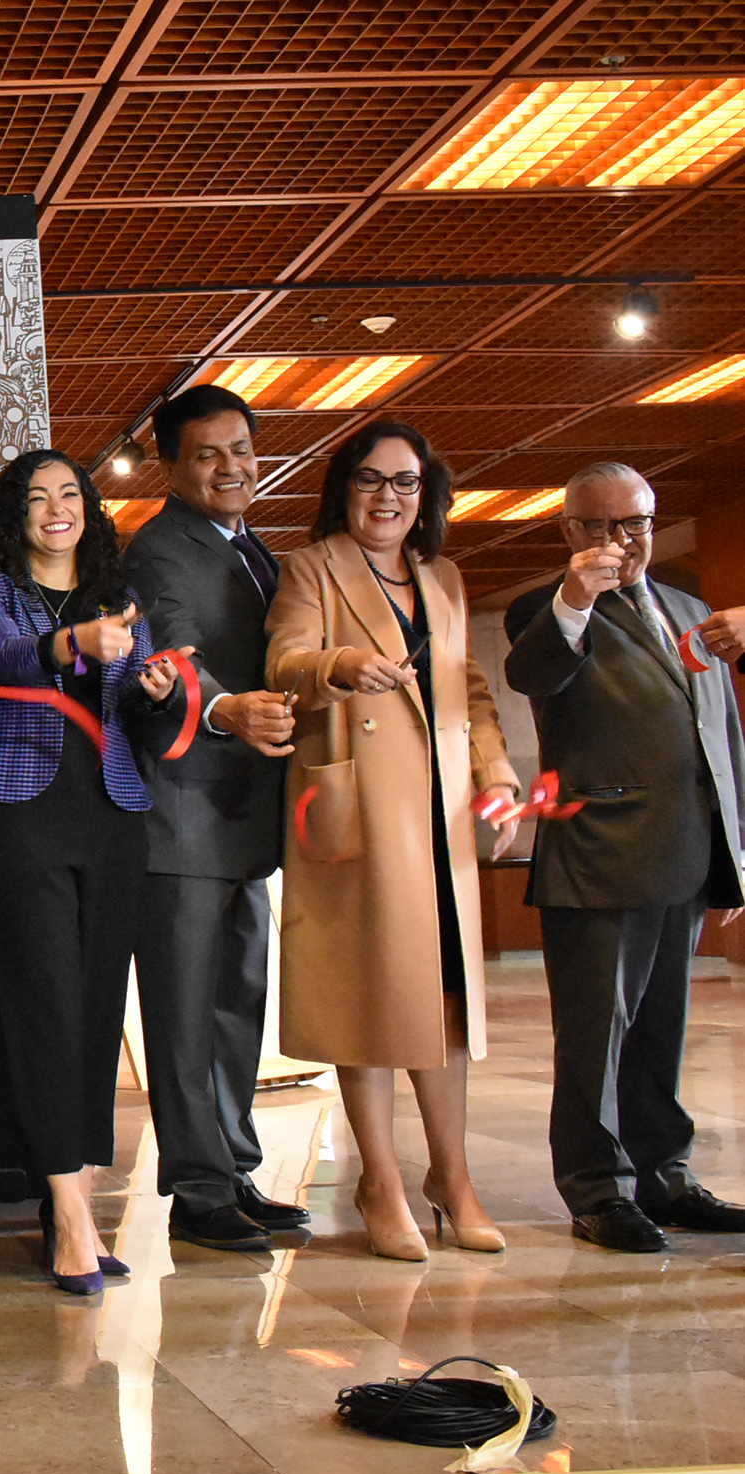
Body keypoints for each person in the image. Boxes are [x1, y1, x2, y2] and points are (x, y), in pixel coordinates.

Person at [267, 422, 522, 1261]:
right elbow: (284, 661)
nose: (388, 497)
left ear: (426, 494)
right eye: (371, 480)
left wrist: (497, 775)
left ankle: (452, 1175)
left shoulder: (442, 576)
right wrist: (339, 664)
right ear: (345, 488)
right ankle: (380, 1180)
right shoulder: (312, 567)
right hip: (365, 810)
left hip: (443, 816)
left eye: (405, 481)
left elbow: (469, 689)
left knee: (447, 999)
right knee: (369, 995)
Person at [0, 450, 181, 1293]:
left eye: (70, 494)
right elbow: (4, 661)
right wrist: (74, 642)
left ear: (89, 508)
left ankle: (74, 1199)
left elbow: (142, 719)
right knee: (43, 1005)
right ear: (17, 514)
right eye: (38, 496)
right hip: (19, 814)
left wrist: (159, 690)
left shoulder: (121, 596)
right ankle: (72, 1219)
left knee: (95, 1012)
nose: (57, 508)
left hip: (111, 815)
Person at [504, 461, 745, 1253]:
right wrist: (576, 598)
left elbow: (719, 734)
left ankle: (663, 1174)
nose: (620, 540)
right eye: (599, 525)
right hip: (598, 856)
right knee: (594, 1036)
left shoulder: (690, 609)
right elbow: (532, 672)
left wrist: (736, 849)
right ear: (569, 530)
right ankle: (597, 1187)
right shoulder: (545, 608)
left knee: (662, 1030)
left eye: (634, 523)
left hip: (686, 850)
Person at [120, 384, 306, 1254]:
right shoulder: (161, 547)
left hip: (241, 815)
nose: (231, 467)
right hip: (182, 816)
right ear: (171, 466)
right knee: (187, 1015)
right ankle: (197, 1190)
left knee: (237, 1006)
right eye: (207, 454)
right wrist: (226, 707)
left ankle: (233, 1170)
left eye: (241, 449)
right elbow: (173, 647)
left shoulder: (251, 546)